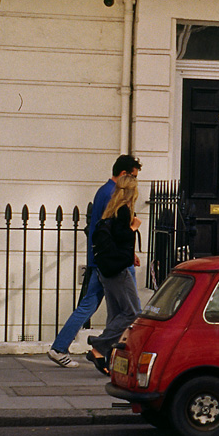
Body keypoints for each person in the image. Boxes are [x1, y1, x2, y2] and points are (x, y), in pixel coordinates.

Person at [47, 154, 142, 368]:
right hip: (112, 263)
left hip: (103, 259)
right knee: (126, 310)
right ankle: (90, 348)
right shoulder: (114, 194)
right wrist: (130, 238)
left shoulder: (103, 190)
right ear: (124, 174)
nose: (135, 183)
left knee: (109, 308)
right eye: (133, 177)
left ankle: (100, 351)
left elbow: (102, 229)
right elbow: (116, 230)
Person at [86, 175, 143, 373]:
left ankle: (109, 356)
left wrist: (131, 253)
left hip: (106, 269)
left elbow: (115, 239)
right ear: (131, 192)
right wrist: (134, 228)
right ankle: (99, 347)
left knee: (116, 314)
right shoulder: (123, 211)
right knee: (133, 313)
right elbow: (122, 236)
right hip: (118, 271)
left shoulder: (111, 209)